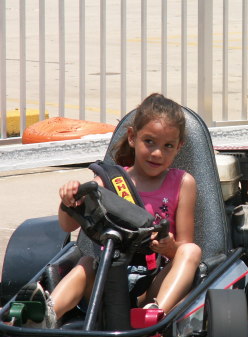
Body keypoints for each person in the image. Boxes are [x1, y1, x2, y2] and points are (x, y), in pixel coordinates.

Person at [18, 93, 202, 329]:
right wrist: (68, 200)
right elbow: (68, 226)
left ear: (179, 147)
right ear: (133, 138)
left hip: (153, 284)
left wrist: (170, 248)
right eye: (149, 142)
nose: (157, 153)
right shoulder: (110, 181)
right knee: (86, 261)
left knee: (191, 250)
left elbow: (185, 246)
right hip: (108, 278)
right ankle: (47, 315)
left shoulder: (183, 183)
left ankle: (155, 316)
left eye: (168, 146)